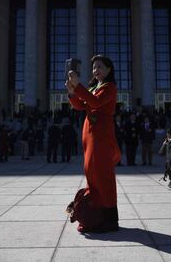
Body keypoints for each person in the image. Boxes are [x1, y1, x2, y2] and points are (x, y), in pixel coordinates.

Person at [66, 55, 121, 233]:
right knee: (92, 173)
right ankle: (96, 215)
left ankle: (109, 219)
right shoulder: (95, 87)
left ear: (108, 70)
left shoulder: (109, 87)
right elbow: (80, 106)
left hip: (101, 137)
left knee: (102, 174)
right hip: (91, 138)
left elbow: (95, 102)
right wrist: (72, 92)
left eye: (100, 67)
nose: (96, 70)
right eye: (94, 67)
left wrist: (79, 86)